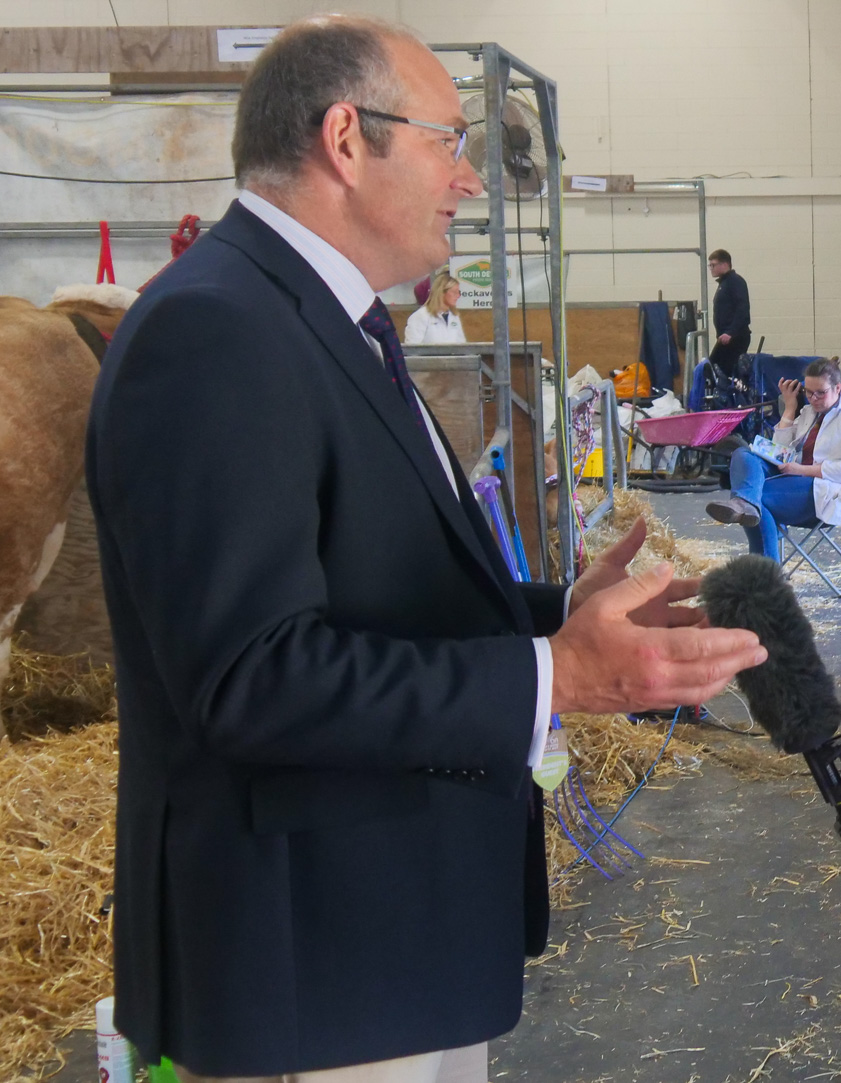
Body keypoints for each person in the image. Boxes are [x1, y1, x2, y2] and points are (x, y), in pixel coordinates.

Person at [87, 17, 767, 1082]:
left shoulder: (323, 318)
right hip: (310, 965)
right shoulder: (217, 331)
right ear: (345, 140)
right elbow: (252, 678)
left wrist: (555, 612)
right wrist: (556, 675)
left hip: (390, 942)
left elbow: (368, 592)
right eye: (449, 142)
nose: (470, 180)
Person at [705, 358, 841, 557]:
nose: (813, 398)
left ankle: (766, 568)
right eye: (809, 392)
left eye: (820, 393)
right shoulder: (808, 413)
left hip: (831, 490)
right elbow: (779, 450)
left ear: (838, 388)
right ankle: (745, 505)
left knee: (758, 499)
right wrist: (789, 409)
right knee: (743, 454)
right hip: (795, 478)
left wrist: (801, 470)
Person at [707, 248, 751, 382]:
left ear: (724, 264)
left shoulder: (735, 282)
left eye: (713, 265)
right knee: (713, 369)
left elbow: (742, 309)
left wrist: (730, 332)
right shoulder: (725, 283)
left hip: (734, 338)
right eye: (710, 265)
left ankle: (730, 394)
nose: (711, 269)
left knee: (719, 370)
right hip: (726, 338)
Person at [403, 266, 466, 344]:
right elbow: (412, 348)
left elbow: (462, 345)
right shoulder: (420, 316)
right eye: (454, 292)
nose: (458, 296)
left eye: (458, 292)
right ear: (441, 292)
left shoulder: (454, 316)